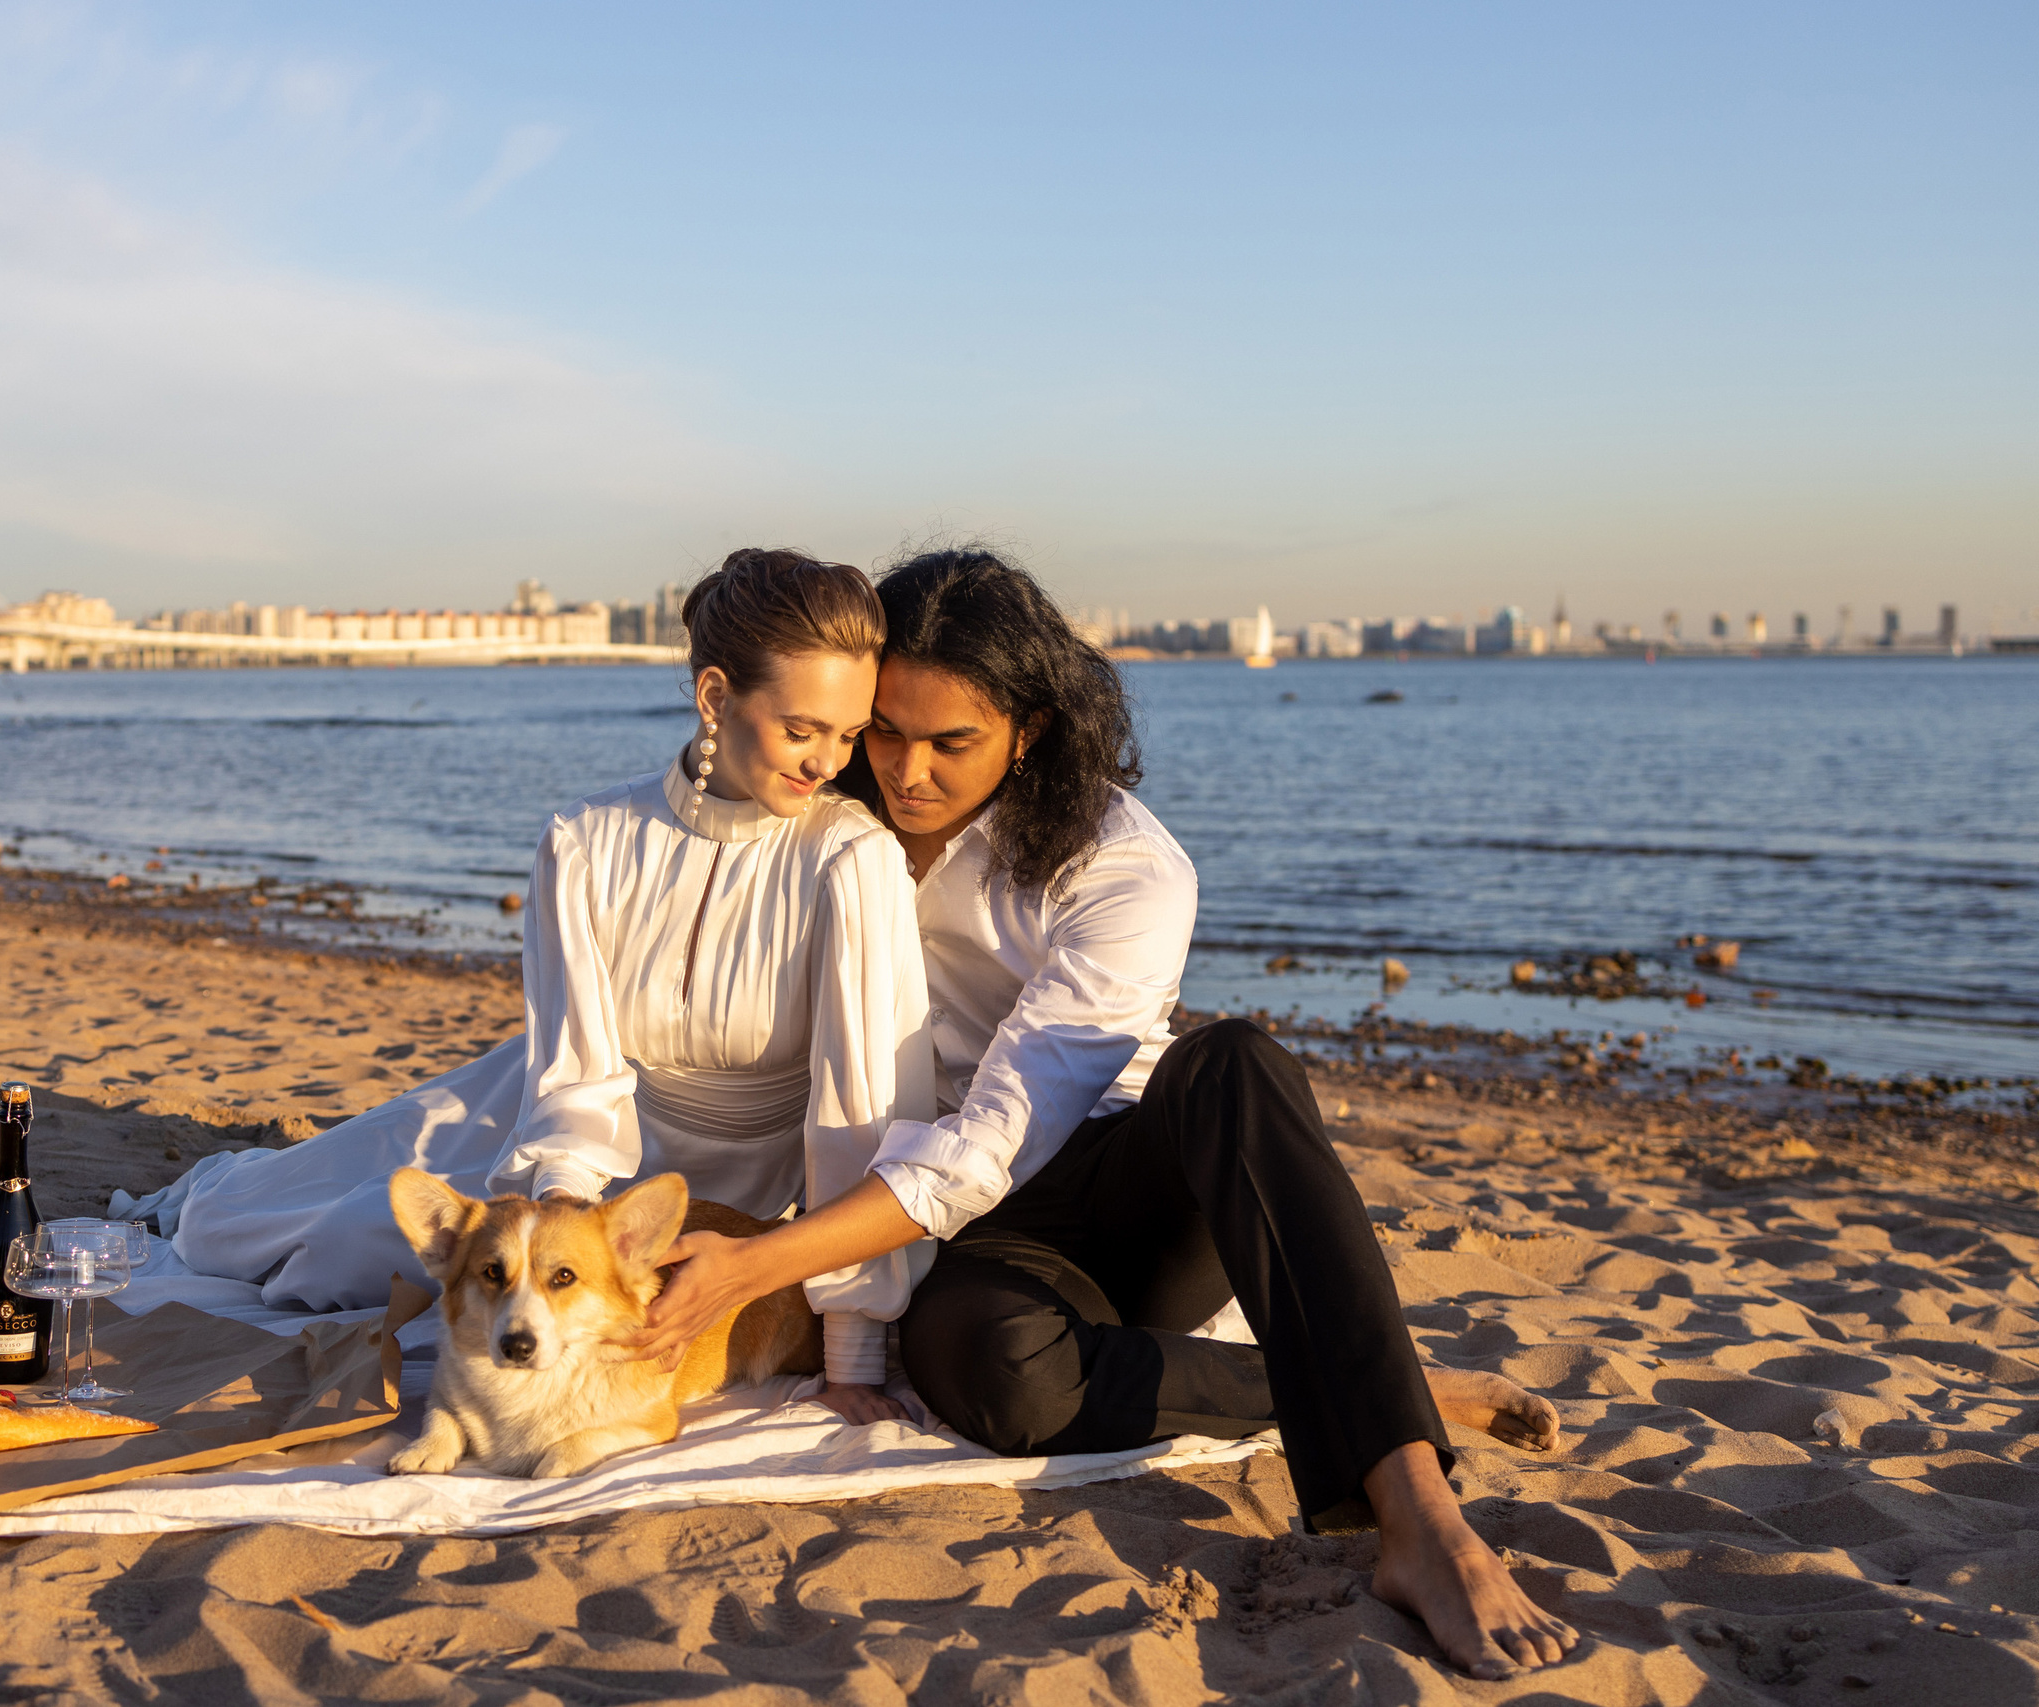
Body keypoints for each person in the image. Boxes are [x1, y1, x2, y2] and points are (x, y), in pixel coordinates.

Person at [628, 548, 1580, 1681]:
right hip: (963, 1234)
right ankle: (1396, 1383)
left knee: (1231, 1060)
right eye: (884, 730)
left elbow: (992, 1144)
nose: (905, 771)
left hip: (1125, 1182)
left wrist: (751, 1268)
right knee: (990, 1380)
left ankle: (1418, 1511)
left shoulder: (1123, 865)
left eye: (951, 743)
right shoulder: (828, 817)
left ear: (1026, 729)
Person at [117, 548, 932, 1421]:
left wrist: (853, 1354)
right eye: (802, 729)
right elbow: (576, 1078)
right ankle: (201, 1193)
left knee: (333, 1252)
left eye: (848, 735)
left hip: (706, 1199)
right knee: (294, 1245)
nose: (828, 765)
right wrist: (555, 1221)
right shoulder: (586, 840)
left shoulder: (851, 860)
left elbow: (863, 1121)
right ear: (714, 697)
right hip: (553, 1133)